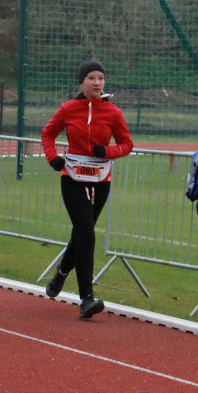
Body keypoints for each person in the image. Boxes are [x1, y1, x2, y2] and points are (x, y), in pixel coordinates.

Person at [41, 58, 134, 319]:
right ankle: (87, 299)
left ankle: (61, 272)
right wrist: (53, 158)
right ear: (81, 83)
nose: (97, 82)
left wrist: (108, 151)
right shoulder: (68, 109)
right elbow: (47, 134)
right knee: (86, 233)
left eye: (101, 78)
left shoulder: (113, 112)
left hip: (100, 181)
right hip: (72, 178)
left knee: (82, 234)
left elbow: (127, 144)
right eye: (91, 78)